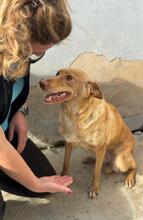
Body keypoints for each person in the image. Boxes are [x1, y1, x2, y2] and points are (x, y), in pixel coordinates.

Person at [0, 0, 73, 218]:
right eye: (33, 52)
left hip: (4, 130)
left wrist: (18, 111)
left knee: (44, 178)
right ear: (17, 37)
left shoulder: (16, 51)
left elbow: (12, 89)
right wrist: (35, 184)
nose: (32, 57)